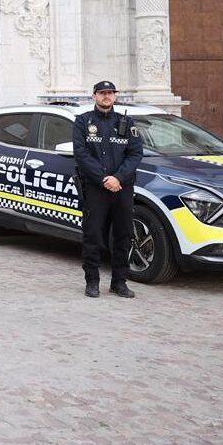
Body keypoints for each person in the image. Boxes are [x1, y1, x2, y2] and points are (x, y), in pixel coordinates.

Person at [72, 80, 144, 299]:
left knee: (123, 235)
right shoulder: (83, 122)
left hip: (122, 188)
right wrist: (104, 179)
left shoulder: (126, 122)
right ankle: (92, 282)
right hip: (96, 188)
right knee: (92, 236)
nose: (106, 96)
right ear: (94, 96)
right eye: (102, 93)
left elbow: (135, 154)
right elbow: (81, 154)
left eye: (110, 93)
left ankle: (119, 282)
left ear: (115, 96)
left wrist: (117, 178)